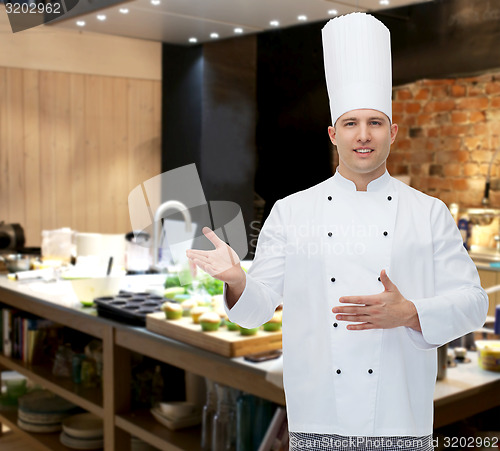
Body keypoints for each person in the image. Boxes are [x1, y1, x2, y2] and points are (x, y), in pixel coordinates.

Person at [186, 12, 488, 451]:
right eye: (350, 124)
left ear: (393, 132)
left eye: (375, 123)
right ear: (333, 133)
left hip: (399, 417)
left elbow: (474, 304)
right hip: (317, 413)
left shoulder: (429, 212)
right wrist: (237, 280)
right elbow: (254, 311)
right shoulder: (292, 212)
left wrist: (410, 312)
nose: (362, 136)